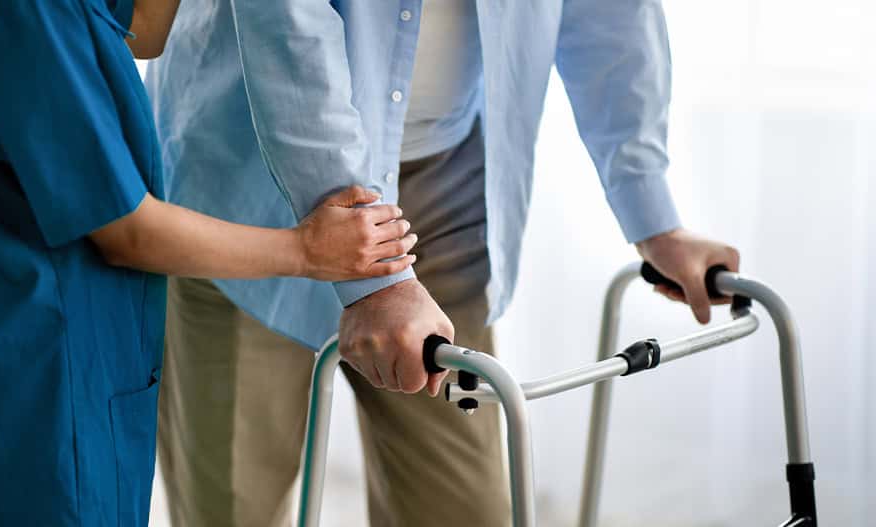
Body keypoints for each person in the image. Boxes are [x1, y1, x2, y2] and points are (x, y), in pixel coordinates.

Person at [0, 1, 419, 525]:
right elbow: (127, 229)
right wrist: (307, 250)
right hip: (21, 405)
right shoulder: (19, 11)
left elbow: (141, 30)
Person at [147, 1, 742, 526]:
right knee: (231, 504)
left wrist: (654, 219)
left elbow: (611, 16)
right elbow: (288, 28)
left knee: (463, 507)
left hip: (444, 178)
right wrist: (372, 273)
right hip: (250, 190)